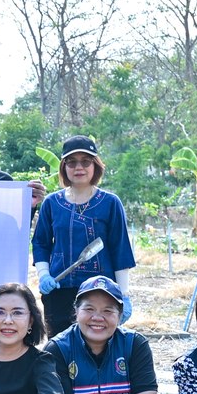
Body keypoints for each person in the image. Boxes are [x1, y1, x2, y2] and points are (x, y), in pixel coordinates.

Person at [47, 275, 161, 394]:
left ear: (120, 315)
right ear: (76, 311)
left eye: (108, 310)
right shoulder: (58, 348)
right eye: (89, 309)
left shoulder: (134, 344)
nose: (97, 318)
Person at [32, 135, 136, 335]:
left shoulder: (110, 203)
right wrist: (44, 275)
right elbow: (40, 243)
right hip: (59, 291)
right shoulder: (52, 203)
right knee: (60, 347)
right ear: (64, 167)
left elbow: (120, 249)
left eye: (86, 161)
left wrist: (123, 294)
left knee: (98, 345)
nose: (78, 167)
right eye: (71, 162)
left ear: (95, 165)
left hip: (101, 293)